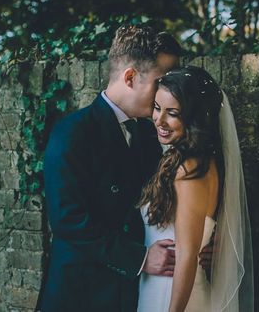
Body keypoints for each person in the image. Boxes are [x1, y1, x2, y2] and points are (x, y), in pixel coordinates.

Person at [37, 25, 182, 312]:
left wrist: (196, 243)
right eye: (160, 82)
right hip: (81, 294)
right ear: (130, 77)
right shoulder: (72, 132)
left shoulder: (150, 134)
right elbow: (69, 220)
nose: (165, 94)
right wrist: (139, 259)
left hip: (130, 294)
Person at [137, 66, 253, 312]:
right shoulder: (197, 161)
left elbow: (187, 255)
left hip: (174, 295)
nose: (159, 120)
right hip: (160, 287)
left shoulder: (189, 170)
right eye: (157, 108)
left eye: (173, 113)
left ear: (193, 118)